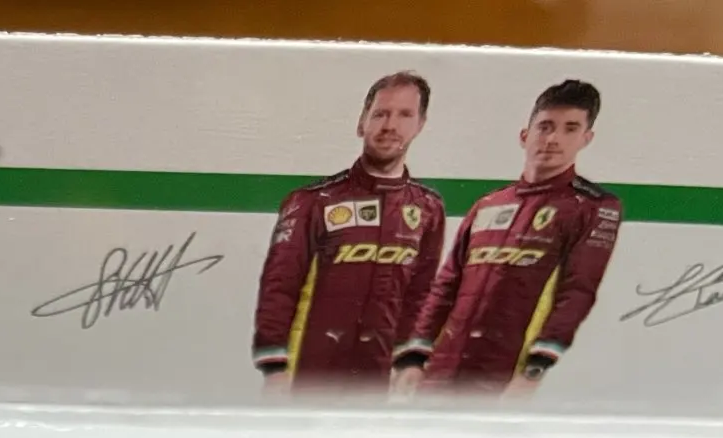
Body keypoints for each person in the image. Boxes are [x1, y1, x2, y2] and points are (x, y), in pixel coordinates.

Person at [393, 79, 621, 396]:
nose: (553, 139)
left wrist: (535, 369)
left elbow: (577, 291)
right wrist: (414, 357)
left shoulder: (594, 207)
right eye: (545, 127)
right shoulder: (489, 204)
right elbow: (447, 284)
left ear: (586, 139)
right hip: (441, 369)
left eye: (570, 129)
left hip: (508, 375)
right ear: (525, 136)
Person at [251, 72, 446, 389]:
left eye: (404, 115)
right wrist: (274, 368)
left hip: (380, 378)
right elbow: (279, 286)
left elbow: (420, 295)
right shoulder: (312, 202)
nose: (390, 125)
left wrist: (411, 362)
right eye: (380, 114)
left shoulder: (428, 208)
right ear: (361, 123)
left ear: (420, 125)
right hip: (308, 372)